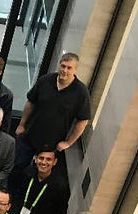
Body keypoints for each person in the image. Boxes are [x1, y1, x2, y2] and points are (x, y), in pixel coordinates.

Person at [13, 52, 91, 191]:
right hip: (29, 136)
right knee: (17, 167)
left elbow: (83, 121)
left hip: (52, 145)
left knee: (40, 177)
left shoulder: (81, 92)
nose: (65, 70)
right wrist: (21, 125)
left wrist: (68, 143)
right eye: (63, 66)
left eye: (69, 68)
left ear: (75, 70)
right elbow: (30, 102)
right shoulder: (45, 80)